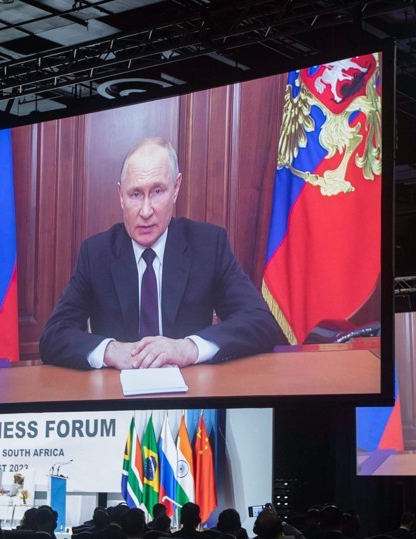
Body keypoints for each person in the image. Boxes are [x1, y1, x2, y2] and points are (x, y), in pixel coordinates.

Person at [39, 137, 284, 370]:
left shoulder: (208, 245)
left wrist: (189, 348)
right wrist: (109, 351)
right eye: (135, 194)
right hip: (117, 395)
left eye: (157, 191)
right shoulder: (96, 254)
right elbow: (53, 336)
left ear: (176, 188)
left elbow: (260, 322)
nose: (146, 211)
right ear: (120, 196)